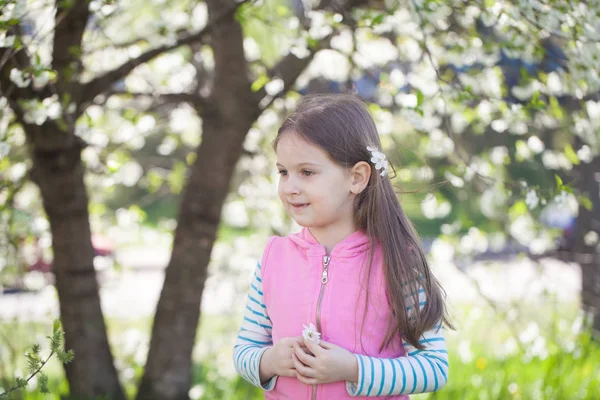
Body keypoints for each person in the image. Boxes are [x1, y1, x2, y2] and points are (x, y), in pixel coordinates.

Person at [233, 94, 452, 399]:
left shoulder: (398, 263)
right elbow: (245, 348)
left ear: (357, 177)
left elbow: (433, 368)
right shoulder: (274, 258)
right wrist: (267, 361)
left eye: (307, 172)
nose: (290, 187)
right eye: (283, 172)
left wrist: (353, 369)